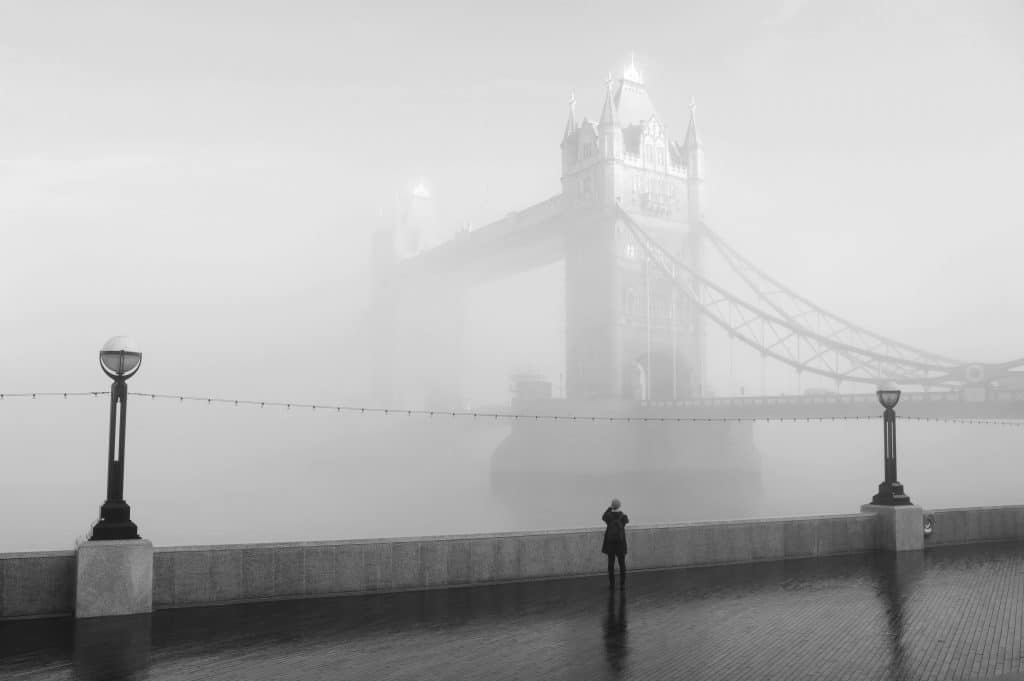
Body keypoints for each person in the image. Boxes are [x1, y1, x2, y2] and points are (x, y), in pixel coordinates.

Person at [601, 498, 629, 589]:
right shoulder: (623, 517)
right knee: (622, 564)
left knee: (611, 564)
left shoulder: (608, 516)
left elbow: (603, 516)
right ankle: (622, 584)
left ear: (612, 506)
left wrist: (610, 508)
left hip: (610, 544)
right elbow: (627, 521)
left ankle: (612, 584)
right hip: (620, 543)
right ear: (620, 506)